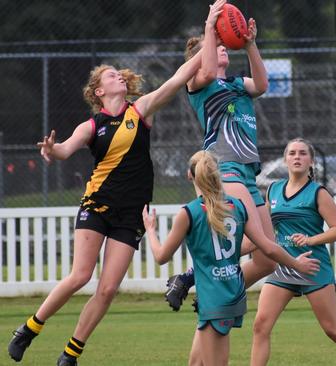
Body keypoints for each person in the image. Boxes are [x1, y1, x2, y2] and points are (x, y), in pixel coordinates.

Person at [6, 14, 210, 365]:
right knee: (80, 275)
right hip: (98, 203)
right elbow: (65, 149)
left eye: (119, 73)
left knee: (109, 288)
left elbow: (178, 79)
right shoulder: (92, 125)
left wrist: (210, 41)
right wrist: (50, 151)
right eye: (111, 74)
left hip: (131, 211)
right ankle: (29, 328)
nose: (119, 75)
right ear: (99, 91)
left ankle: (71, 353)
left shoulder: (141, 110)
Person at [142, 150, 319, 366]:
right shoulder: (237, 206)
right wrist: (296, 263)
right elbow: (267, 246)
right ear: (218, 174)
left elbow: (161, 257)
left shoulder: (189, 212)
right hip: (232, 293)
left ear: (190, 176)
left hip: (213, 298)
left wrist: (150, 230)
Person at [163, 0, 277, 312]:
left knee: (267, 259)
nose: (223, 47)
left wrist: (251, 44)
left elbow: (264, 84)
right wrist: (210, 28)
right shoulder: (198, 83)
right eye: (216, 45)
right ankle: (200, 285)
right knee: (255, 239)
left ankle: (191, 283)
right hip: (225, 166)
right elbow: (208, 68)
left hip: (248, 172)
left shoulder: (238, 84)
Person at [249, 138, 336, 366]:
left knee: (332, 329)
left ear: (311, 161)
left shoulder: (318, 193)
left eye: (303, 153)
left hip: (312, 266)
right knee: (261, 324)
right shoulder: (273, 189)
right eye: (292, 153)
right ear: (285, 159)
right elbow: (267, 230)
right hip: (283, 265)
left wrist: (310, 239)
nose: (297, 157)